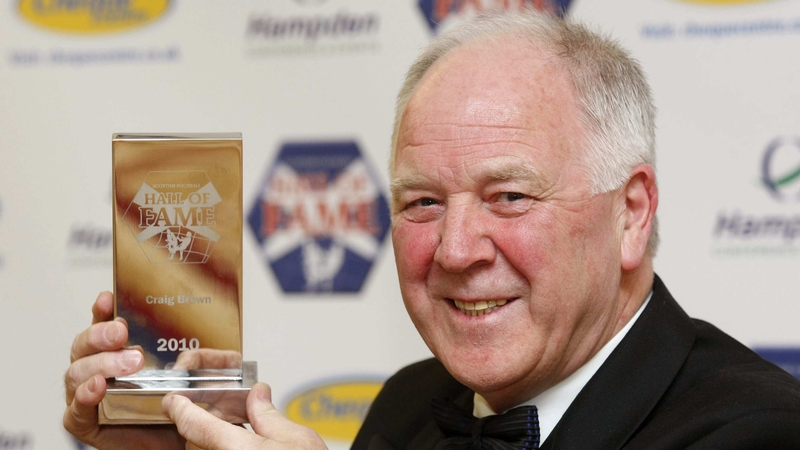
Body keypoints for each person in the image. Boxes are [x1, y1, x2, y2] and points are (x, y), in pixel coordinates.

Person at [64, 11, 800, 450]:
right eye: (421, 203)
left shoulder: (758, 431)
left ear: (631, 212)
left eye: (509, 196)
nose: (454, 250)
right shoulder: (407, 409)